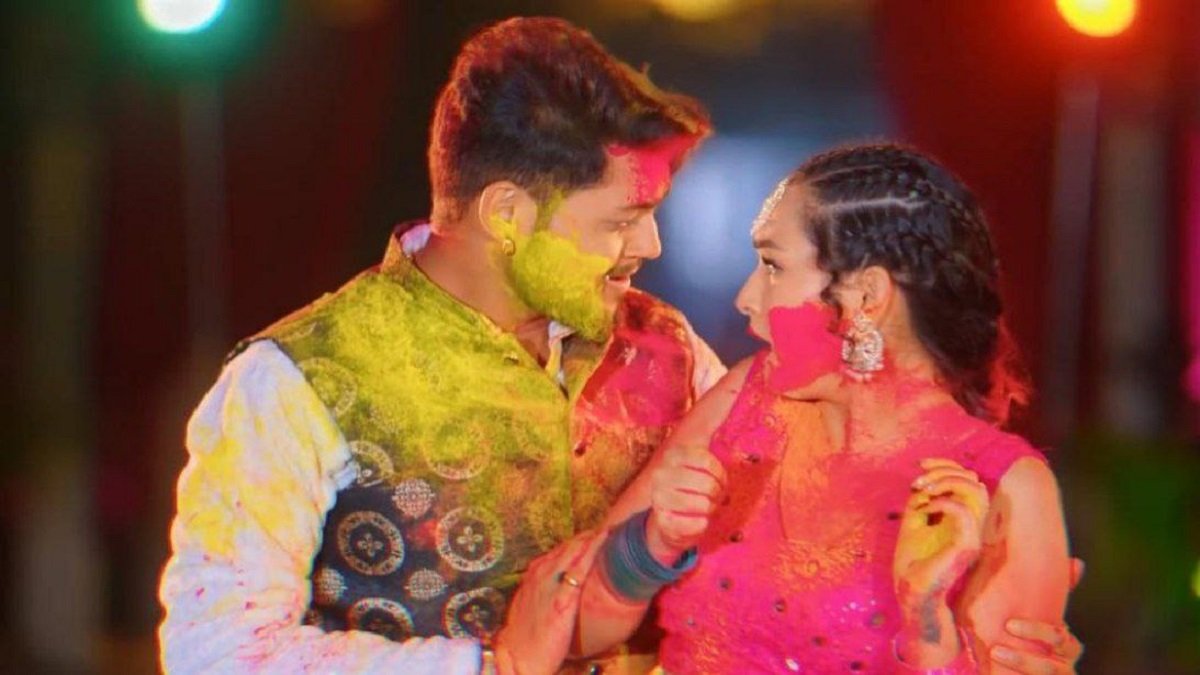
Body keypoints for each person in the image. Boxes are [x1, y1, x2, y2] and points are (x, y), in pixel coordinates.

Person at [158, 16, 721, 674]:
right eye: (622, 220)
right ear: (507, 215)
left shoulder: (667, 346)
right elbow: (215, 654)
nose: (651, 245)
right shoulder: (299, 377)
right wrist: (488, 666)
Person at [576, 143, 1083, 673]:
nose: (746, 298)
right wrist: (651, 546)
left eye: (773, 266)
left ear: (866, 295)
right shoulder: (744, 399)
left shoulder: (1005, 488)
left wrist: (927, 622)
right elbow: (575, 624)